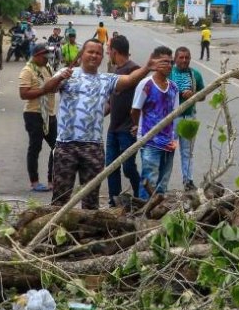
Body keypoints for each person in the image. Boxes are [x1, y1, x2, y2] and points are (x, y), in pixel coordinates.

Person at [49, 39, 159, 209]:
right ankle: (54, 232)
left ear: (102, 57)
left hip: (93, 147)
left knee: (91, 200)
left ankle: (88, 233)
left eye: (98, 53)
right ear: (82, 54)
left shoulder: (106, 79)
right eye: (90, 52)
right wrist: (58, 79)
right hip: (66, 146)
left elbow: (129, 80)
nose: (94, 55)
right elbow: (48, 89)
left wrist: (146, 67)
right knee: (60, 198)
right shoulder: (68, 73)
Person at [132, 46, 178, 199]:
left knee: (162, 183)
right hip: (150, 141)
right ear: (155, 62)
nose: (169, 65)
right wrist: (139, 131)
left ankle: (157, 216)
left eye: (171, 62)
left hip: (168, 143)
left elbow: (175, 115)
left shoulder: (174, 88)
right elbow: (135, 110)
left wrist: (174, 139)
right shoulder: (146, 84)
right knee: (149, 180)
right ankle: (143, 212)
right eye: (164, 62)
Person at [105, 35, 142, 205]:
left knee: (128, 168)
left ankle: (141, 196)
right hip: (113, 129)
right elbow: (111, 103)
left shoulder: (134, 70)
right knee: (111, 168)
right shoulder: (115, 70)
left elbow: (145, 100)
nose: (107, 53)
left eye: (108, 50)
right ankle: (115, 202)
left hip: (128, 130)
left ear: (114, 51)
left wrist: (139, 124)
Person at [19, 43, 58, 192]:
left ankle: (52, 180)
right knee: (35, 148)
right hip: (33, 114)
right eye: (44, 57)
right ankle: (34, 182)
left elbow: (52, 87)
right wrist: (43, 90)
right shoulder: (27, 71)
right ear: (36, 56)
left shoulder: (47, 68)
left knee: (57, 147)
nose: (47, 59)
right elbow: (23, 94)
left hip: (49, 114)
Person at [170, 46, 205, 190]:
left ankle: (188, 181)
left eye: (187, 57)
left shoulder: (195, 74)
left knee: (188, 152)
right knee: (168, 150)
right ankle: (162, 183)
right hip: (171, 119)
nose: (184, 60)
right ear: (175, 59)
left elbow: (203, 96)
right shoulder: (168, 73)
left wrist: (193, 95)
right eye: (181, 57)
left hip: (189, 118)